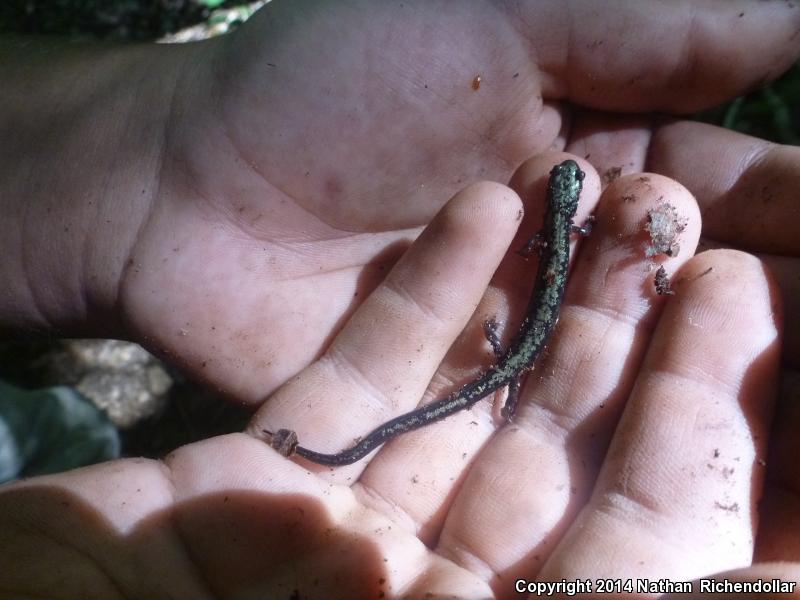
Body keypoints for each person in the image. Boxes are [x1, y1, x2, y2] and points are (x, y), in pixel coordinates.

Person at [1, 1, 799, 597]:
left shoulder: (552, 233)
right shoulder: (574, 232)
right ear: (574, 215)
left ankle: (339, 446)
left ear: (564, 212)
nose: (563, 193)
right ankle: (338, 448)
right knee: (499, 365)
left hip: (513, 360)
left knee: (495, 367)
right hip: (511, 360)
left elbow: (537, 256)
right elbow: (544, 261)